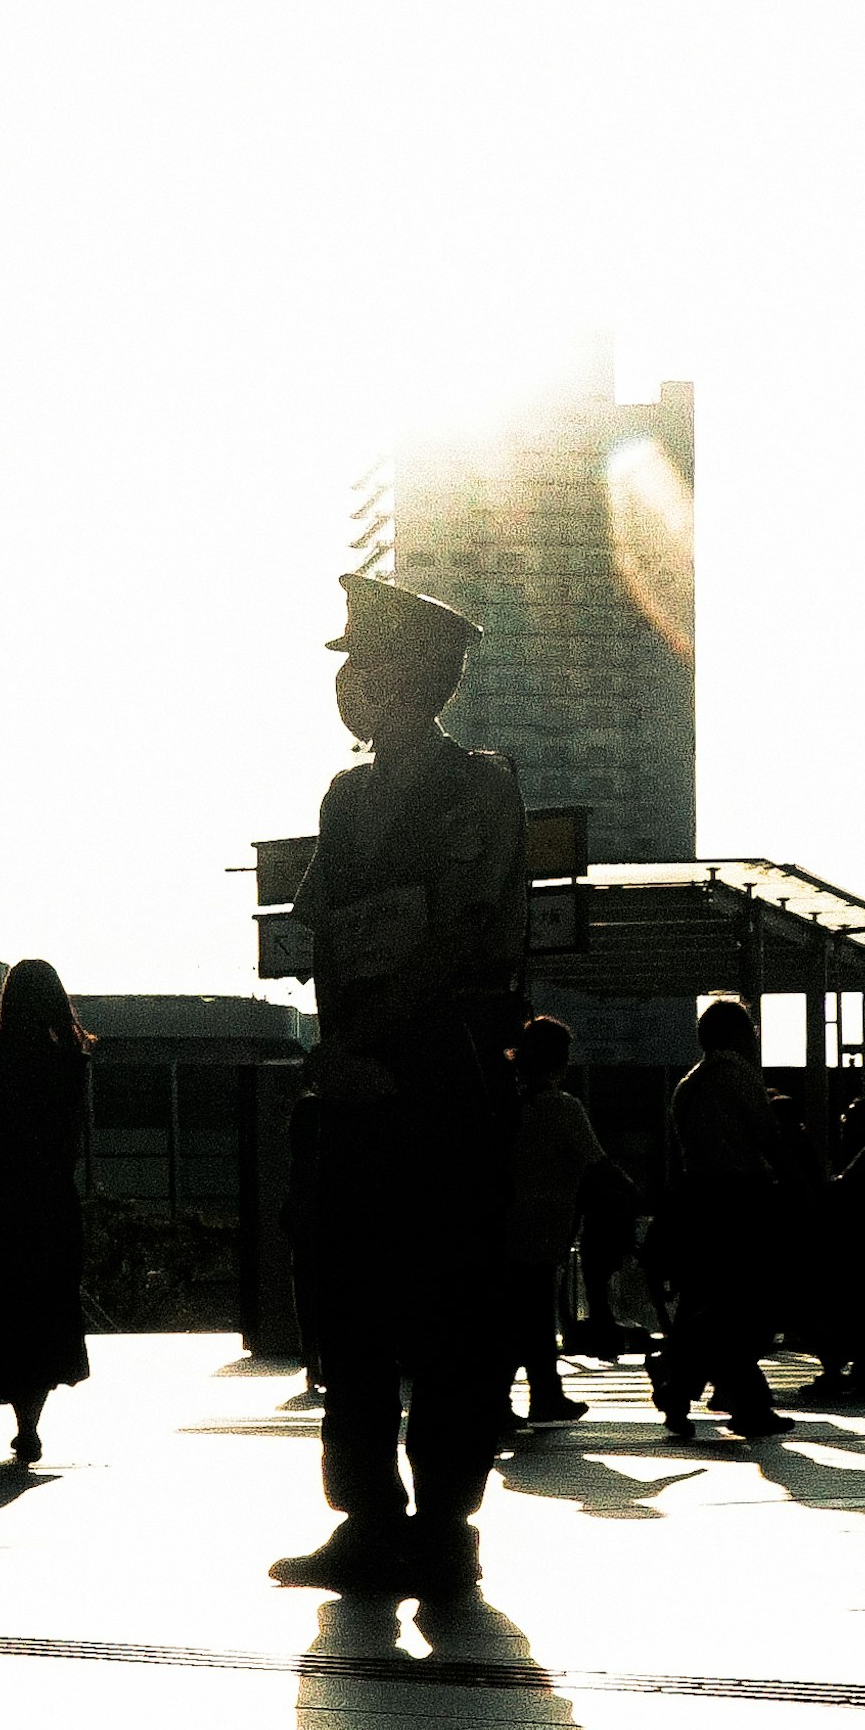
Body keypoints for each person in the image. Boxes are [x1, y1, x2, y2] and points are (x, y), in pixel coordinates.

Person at [276, 573, 529, 1595]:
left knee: (449, 1303)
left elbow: (466, 934)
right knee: (353, 1305)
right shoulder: (346, 797)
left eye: (368, 664)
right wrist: (338, 1049)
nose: (352, 683)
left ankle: (443, 1521)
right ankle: (368, 1513)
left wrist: (372, 1038)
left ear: (419, 676)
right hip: (360, 1082)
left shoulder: (477, 785)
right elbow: (322, 931)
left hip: (442, 1073)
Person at [0, 958, 93, 1465]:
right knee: (46, 1303)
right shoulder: (71, 1064)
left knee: (4, 1300)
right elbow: (74, 1140)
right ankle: (30, 1424)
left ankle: (14, 1411)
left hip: (1, 1195)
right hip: (51, 1197)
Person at [654, 998, 793, 1445]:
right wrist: (801, 1190)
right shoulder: (738, 1076)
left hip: (699, 1200)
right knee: (745, 1305)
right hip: (740, 1200)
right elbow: (767, 1136)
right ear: (737, 1034)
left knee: (713, 1300)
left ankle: (695, 1384)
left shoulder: (687, 1084)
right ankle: (694, 1381)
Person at [500, 1013, 608, 1433]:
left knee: (524, 1313)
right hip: (542, 1227)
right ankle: (534, 1395)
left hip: (505, 1224)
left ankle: (540, 1393)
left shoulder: (506, 1104)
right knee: (531, 1313)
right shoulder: (562, 1107)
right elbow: (595, 1163)